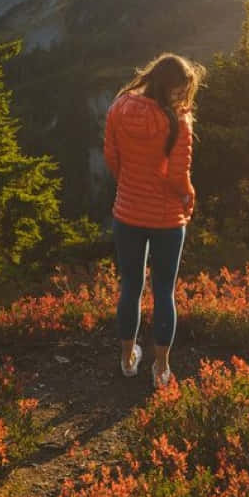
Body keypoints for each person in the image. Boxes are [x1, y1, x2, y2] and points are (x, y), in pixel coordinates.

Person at [103, 52, 204, 388]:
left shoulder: (119, 107)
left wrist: (131, 185)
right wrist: (189, 196)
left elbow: (112, 157)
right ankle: (161, 368)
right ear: (173, 87)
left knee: (130, 286)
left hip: (128, 212)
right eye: (183, 89)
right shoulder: (178, 120)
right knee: (164, 291)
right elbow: (179, 177)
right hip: (167, 220)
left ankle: (127, 358)